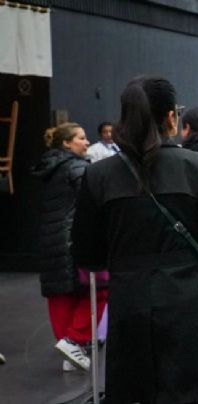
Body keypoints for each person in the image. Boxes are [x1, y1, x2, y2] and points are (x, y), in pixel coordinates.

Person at [71, 76, 198, 404]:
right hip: (191, 302)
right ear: (170, 118)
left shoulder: (99, 175)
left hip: (130, 303)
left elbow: (87, 254)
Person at [32, 122, 107, 372]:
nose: (87, 143)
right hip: (75, 241)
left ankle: (71, 350)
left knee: (60, 295)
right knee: (101, 288)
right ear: (66, 143)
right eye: (81, 138)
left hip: (50, 241)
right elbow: (95, 201)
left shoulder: (46, 169)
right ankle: (75, 341)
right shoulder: (78, 168)